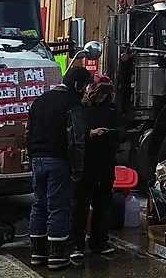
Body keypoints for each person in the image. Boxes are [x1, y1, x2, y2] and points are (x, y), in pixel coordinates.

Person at [27, 66, 90, 270]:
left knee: (39, 205)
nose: (85, 91)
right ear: (78, 85)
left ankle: (37, 253)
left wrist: (32, 157)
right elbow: (77, 140)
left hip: (37, 159)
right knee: (59, 208)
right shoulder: (71, 103)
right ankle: (57, 256)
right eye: (85, 86)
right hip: (59, 161)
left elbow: (28, 133)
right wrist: (77, 169)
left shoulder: (39, 100)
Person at [69, 75, 123, 262]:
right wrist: (90, 134)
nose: (101, 96)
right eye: (99, 92)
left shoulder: (112, 109)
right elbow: (75, 133)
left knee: (103, 204)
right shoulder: (82, 108)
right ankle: (76, 243)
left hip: (105, 162)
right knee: (81, 205)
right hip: (86, 163)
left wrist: (113, 134)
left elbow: (121, 131)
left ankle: (99, 241)